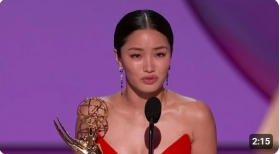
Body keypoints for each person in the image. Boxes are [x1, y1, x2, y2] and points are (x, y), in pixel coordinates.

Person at [75, 9, 217, 154]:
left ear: (171, 55)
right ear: (119, 58)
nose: (149, 67)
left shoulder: (196, 116)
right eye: (136, 55)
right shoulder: (94, 114)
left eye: (159, 54)